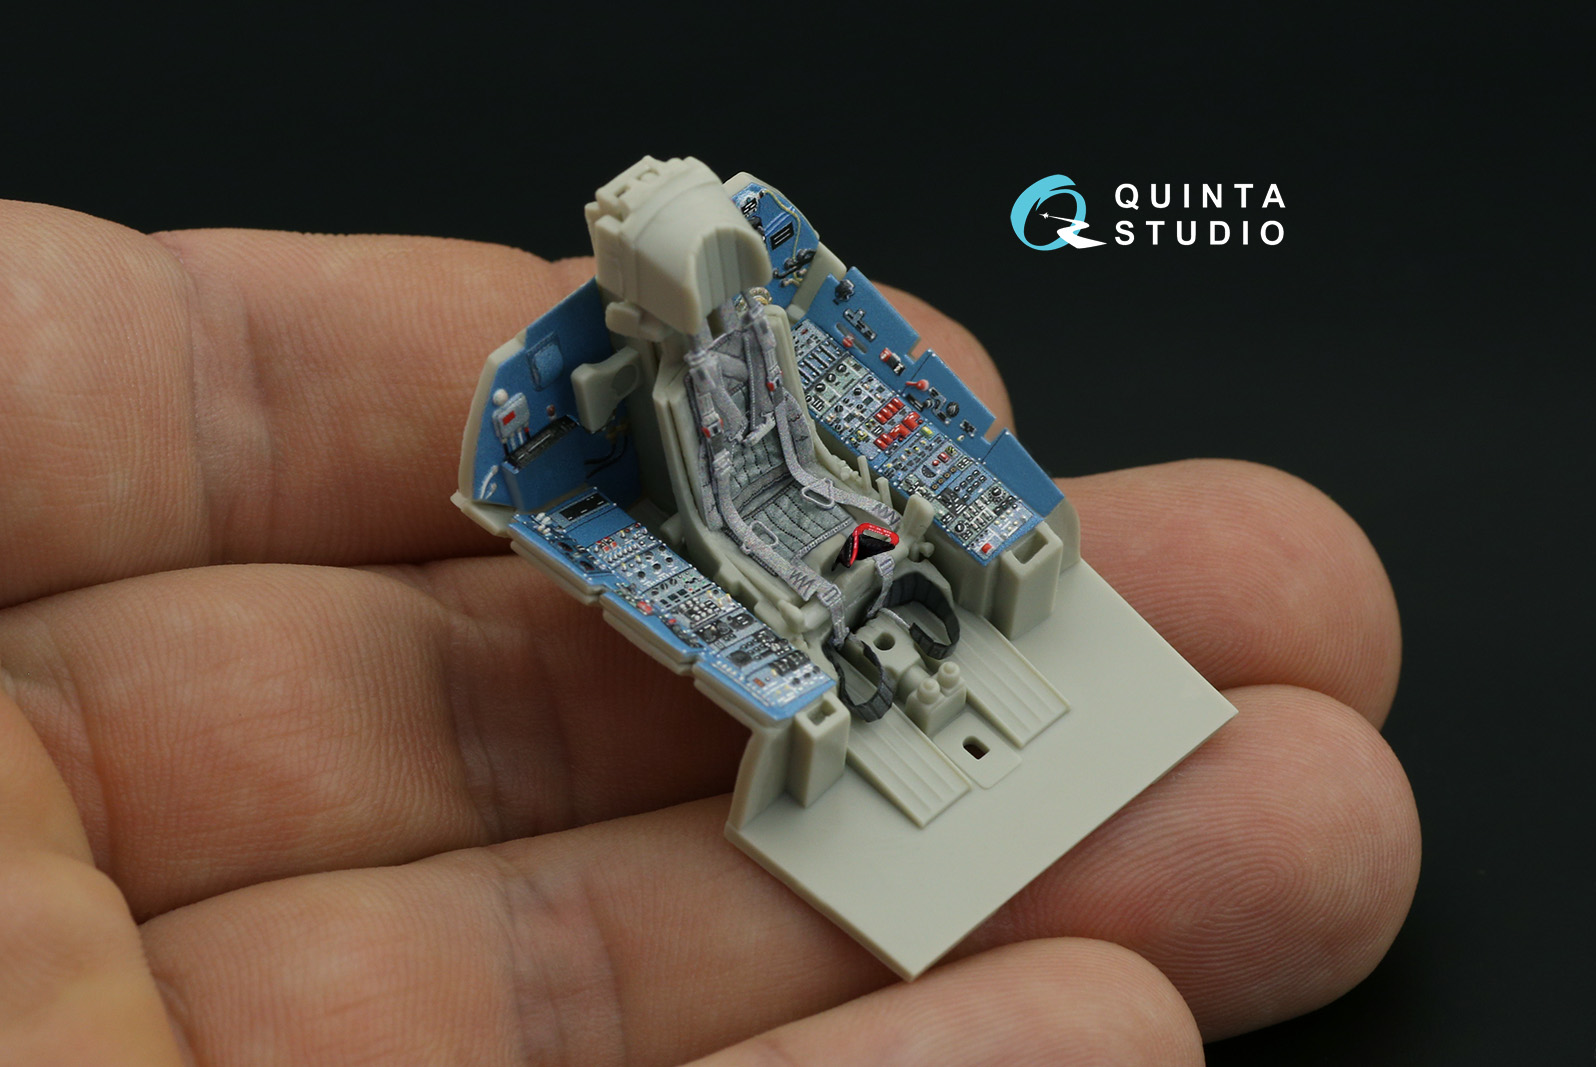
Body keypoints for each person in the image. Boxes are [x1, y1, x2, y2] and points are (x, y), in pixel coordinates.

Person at [0, 201, 1418, 1066]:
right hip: (752, 534)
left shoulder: (770, 338)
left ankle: (896, 625)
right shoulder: (639, 399)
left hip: (830, 512)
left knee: (879, 520)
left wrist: (904, 532)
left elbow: (814, 439)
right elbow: (701, 507)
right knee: (805, 562)